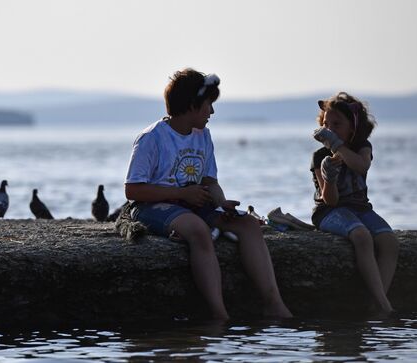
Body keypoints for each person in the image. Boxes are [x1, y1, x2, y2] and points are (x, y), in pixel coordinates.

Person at [124, 68, 292, 320]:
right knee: (198, 230)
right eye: (208, 105)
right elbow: (133, 190)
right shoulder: (152, 138)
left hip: (193, 203)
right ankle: (218, 314)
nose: (212, 112)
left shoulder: (203, 135)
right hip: (152, 207)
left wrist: (221, 202)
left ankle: (274, 304)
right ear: (192, 105)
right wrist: (182, 193)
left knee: (246, 224)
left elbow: (210, 181)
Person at [311, 92, 399, 315]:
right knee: (361, 236)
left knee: (389, 242)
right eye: (326, 124)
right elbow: (330, 200)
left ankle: (376, 302)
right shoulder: (320, 156)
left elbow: (361, 166)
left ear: (353, 127)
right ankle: (384, 305)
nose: (329, 129)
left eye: (337, 124)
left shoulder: (362, 148)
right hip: (329, 211)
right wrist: (329, 178)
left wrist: (338, 146)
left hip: (361, 208)